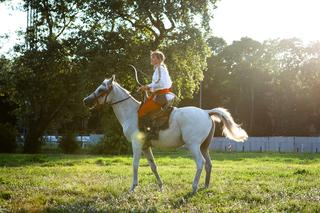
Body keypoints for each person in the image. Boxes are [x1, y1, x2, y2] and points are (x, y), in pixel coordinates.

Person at [137, 50, 175, 141]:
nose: (151, 59)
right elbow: (157, 84)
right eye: (152, 57)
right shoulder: (159, 68)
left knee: (141, 111)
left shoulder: (160, 68)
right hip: (160, 95)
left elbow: (160, 82)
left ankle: (151, 134)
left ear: (159, 59)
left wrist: (147, 86)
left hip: (161, 96)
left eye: (153, 57)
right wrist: (147, 88)